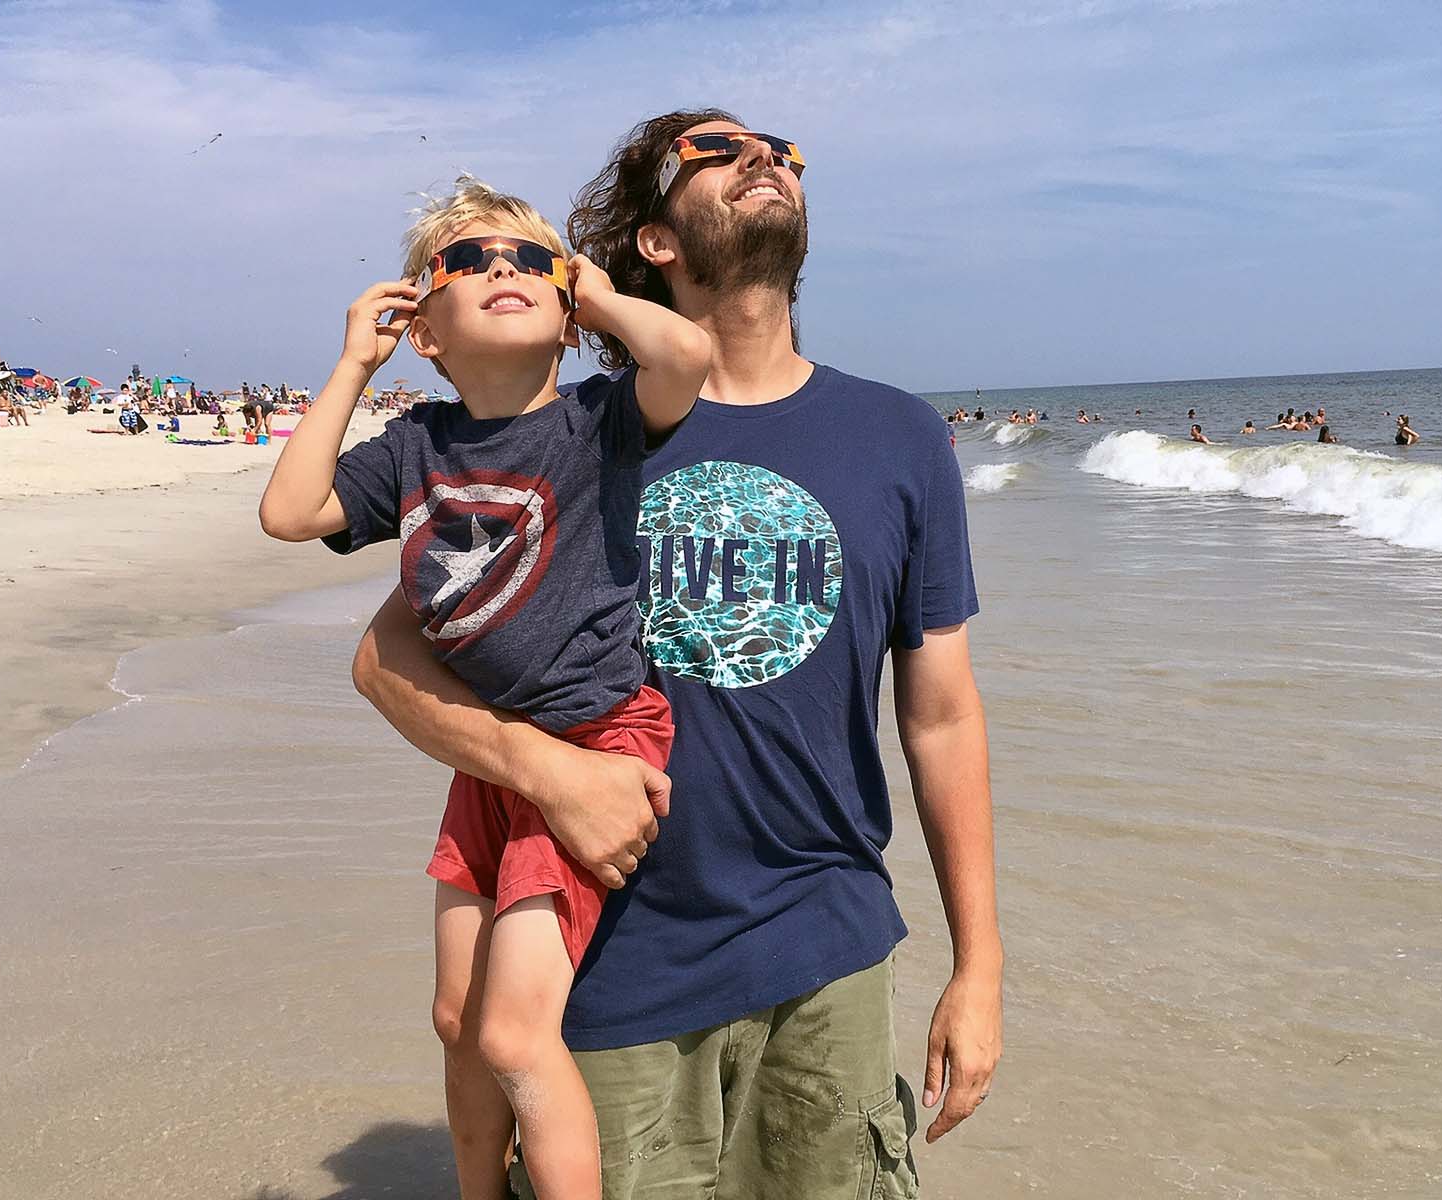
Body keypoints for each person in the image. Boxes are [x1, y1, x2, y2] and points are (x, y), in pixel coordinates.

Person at [350, 113, 998, 1200]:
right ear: (653, 241)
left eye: (783, 152)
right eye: (719, 152)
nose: (766, 160)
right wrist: (549, 773)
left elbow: (941, 717)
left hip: (827, 951)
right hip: (613, 961)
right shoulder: (573, 433)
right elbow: (385, 662)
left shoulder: (900, 436)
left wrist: (979, 967)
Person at [262, 177, 709, 1200]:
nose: (501, 270)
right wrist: (350, 364)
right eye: (466, 263)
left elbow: (686, 357)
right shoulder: (416, 444)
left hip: (598, 741)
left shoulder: (600, 419)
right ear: (425, 326)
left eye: (527, 260)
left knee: (513, 1030)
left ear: (565, 316)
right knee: (457, 1020)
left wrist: (594, 292)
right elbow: (291, 513)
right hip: (493, 752)